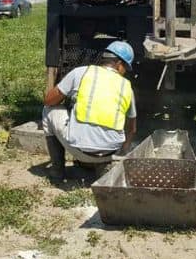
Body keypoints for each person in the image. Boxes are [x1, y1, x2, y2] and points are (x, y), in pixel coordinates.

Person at [41, 40, 137, 183]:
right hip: (110, 153)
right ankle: (100, 165)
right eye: (125, 68)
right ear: (118, 64)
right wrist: (122, 151)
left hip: (79, 149)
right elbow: (132, 129)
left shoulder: (80, 72)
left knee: (49, 111)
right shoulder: (127, 87)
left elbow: (49, 101)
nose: (124, 72)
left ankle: (57, 172)